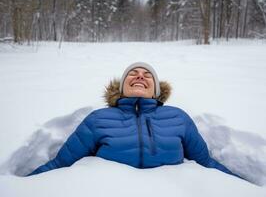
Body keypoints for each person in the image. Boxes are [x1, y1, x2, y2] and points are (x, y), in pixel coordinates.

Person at [28, 62, 238, 177]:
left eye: (147, 75)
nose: (139, 76)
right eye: (133, 73)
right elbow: (61, 164)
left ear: (156, 90)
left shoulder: (178, 117)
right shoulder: (98, 119)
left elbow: (206, 164)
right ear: (121, 87)